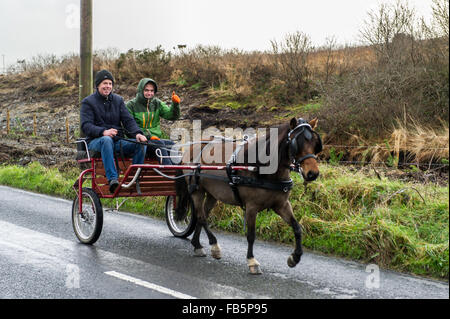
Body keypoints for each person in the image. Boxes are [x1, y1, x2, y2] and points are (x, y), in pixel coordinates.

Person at [80, 70, 148, 193]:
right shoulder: (88, 102)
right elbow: (86, 126)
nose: (108, 86)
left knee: (141, 144)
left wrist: (138, 133)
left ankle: (133, 179)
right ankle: (113, 180)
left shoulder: (118, 100)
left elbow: (128, 120)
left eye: (110, 83)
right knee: (106, 140)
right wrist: (103, 132)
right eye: (105, 83)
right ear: (98, 85)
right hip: (96, 141)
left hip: (117, 141)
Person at [126, 78, 180, 165]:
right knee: (159, 144)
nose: (149, 93)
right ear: (140, 90)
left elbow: (171, 116)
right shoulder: (131, 105)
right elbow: (129, 127)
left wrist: (175, 104)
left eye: (152, 91)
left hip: (155, 140)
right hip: (139, 140)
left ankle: (179, 172)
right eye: (146, 90)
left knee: (172, 144)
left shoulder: (157, 103)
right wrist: (148, 136)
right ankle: (169, 169)